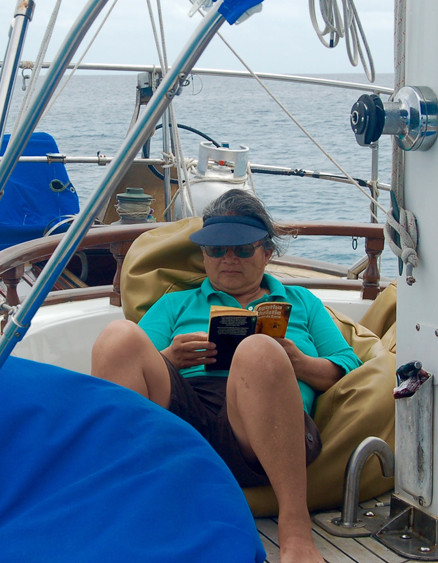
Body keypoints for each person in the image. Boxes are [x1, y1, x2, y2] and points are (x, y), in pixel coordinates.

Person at [91, 189, 361, 563]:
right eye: (216, 249)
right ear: (204, 255)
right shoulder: (175, 302)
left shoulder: (301, 302)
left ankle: (295, 528)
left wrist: (297, 363)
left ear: (267, 253)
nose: (228, 258)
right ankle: (121, 505)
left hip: (263, 429)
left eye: (242, 249)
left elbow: (348, 365)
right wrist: (171, 358)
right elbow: (132, 365)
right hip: (187, 413)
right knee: (117, 336)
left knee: (259, 349)